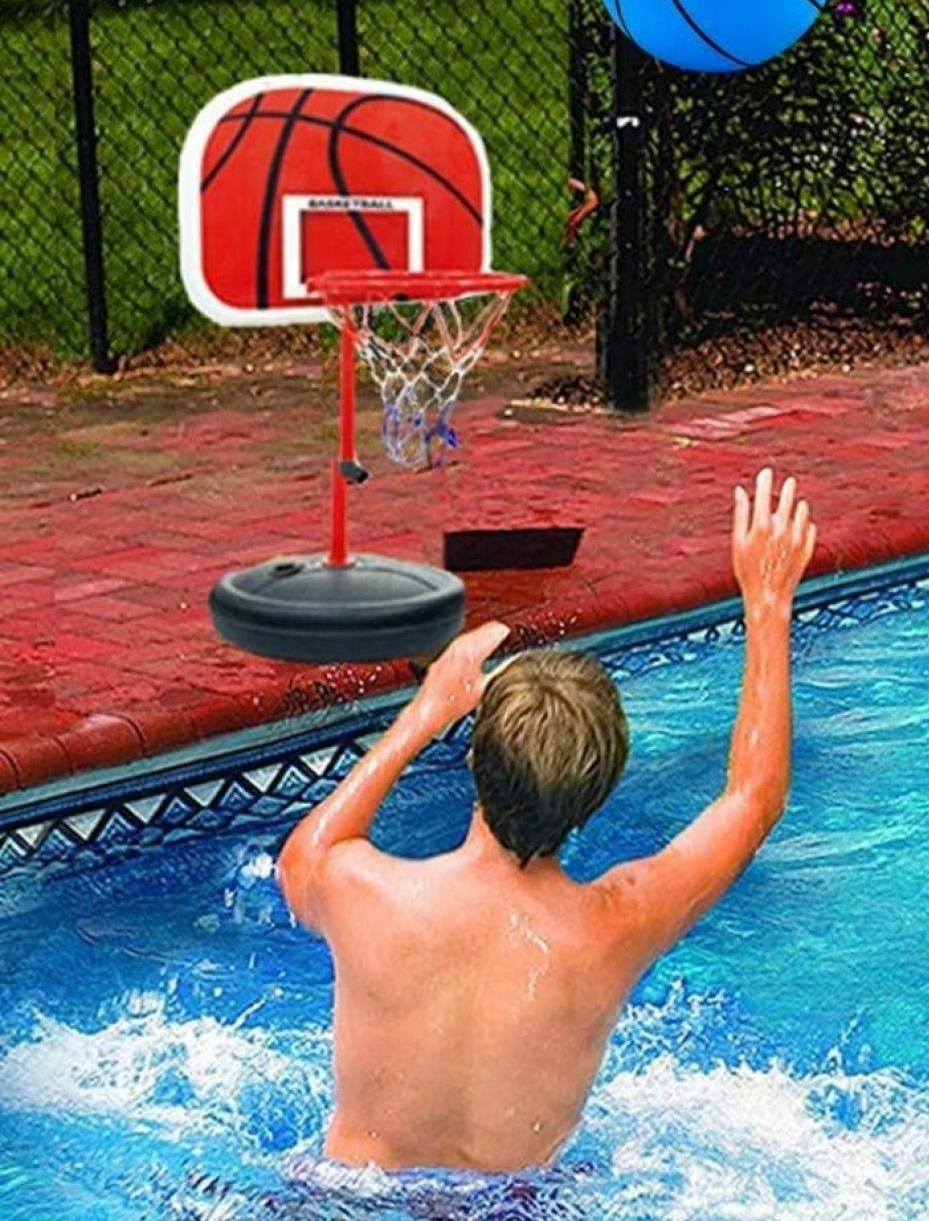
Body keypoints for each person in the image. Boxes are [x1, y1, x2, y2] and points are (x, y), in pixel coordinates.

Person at [276, 468, 816, 1174]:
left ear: (474, 758)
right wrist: (768, 605)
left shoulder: (363, 891)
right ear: (598, 795)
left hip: (350, 1201)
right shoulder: (612, 929)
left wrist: (425, 712)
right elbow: (753, 798)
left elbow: (303, 857)